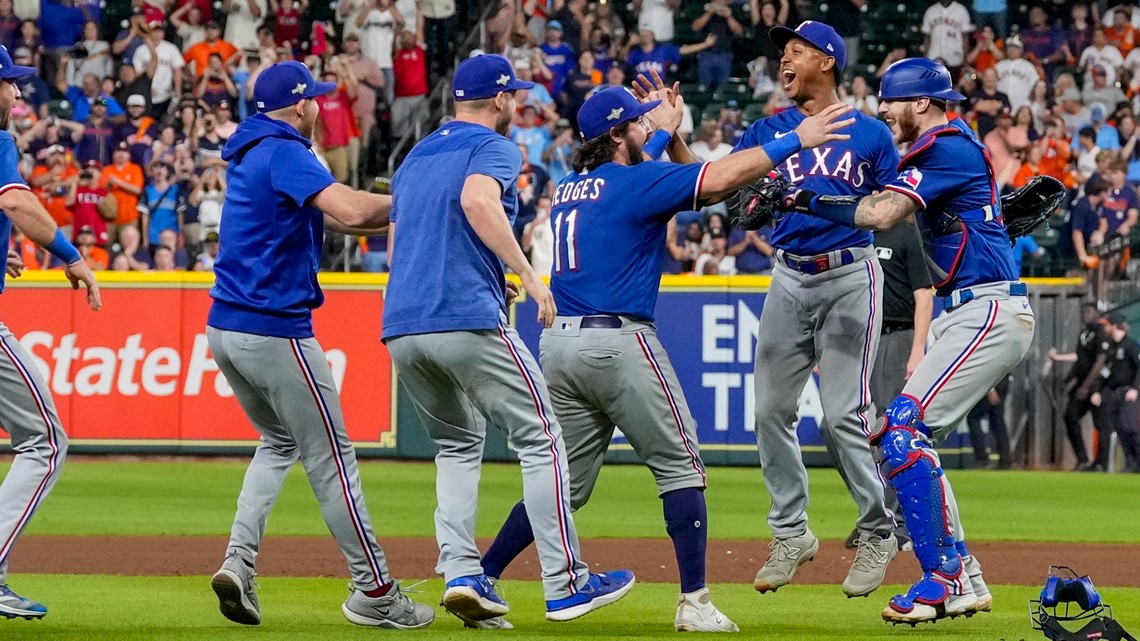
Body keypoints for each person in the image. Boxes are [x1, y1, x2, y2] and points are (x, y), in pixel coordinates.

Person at [764, 57, 1037, 624]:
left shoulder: (944, 147)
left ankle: (944, 579)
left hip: (987, 309)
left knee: (903, 429)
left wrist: (801, 199)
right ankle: (965, 573)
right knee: (904, 435)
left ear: (921, 103)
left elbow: (881, 211)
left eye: (891, 100)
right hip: (973, 308)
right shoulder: (947, 150)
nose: (882, 109)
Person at [383, 54, 636, 629]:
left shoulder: (414, 155)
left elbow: (398, 249)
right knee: (544, 438)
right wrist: (524, 270)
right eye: (512, 95)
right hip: (463, 316)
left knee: (456, 446)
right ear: (499, 100)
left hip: (401, 324)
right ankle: (567, 582)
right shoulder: (494, 147)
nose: (514, 103)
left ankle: (461, 574)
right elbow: (476, 202)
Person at [206, 60, 434, 629]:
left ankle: (238, 560)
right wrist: (420, 199)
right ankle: (375, 591)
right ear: (301, 104)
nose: (322, 109)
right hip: (273, 329)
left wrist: (400, 210)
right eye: (317, 101)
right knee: (333, 461)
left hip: (225, 327)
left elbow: (342, 220)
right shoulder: (285, 150)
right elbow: (354, 209)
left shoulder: (253, 147)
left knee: (279, 443)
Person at [734, 21, 900, 599]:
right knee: (768, 411)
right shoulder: (768, 129)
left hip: (850, 273)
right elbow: (725, 188)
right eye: (783, 52)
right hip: (787, 276)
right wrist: (680, 143)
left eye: (797, 51)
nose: (785, 60)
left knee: (841, 414)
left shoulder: (871, 134)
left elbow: (891, 206)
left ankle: (880, 529)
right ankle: (791, 533)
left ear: (827, 61)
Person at [0, 44, 101, 620]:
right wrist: (68, 254)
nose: (17, 94)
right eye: (9, 84)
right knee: (45, 440)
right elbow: (16, 200)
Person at [1047, 302, 1102, 468]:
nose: (1085, 314)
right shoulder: (1083, 334)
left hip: (1097, 387)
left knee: (1101, 424)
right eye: (1083, 311)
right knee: (1070, 416)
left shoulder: (1100, 333)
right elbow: (1080, 361)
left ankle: (1101, 462)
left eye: (1089, 311)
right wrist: (1067, 380)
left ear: (1096, 313)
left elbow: (1100, 361)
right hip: (1081, 385)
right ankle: (1082, 458)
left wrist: (1087, 386)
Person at [1087, 314, 1140, 473]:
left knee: (1130, 426)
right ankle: (1130, 463)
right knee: (1120, 429)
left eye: (1108, 325)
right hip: (1114, 393)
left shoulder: (1131, 346)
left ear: (1115, 325)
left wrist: (1135, 389)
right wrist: (1096, 390)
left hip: (1128, 392)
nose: (1105, 329)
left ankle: (1137, 461)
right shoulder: (1112, 347)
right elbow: (1106, 371)